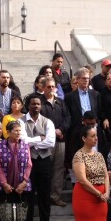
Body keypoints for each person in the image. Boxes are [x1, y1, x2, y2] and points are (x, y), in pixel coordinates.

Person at [0, 120, 33, 221]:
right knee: (7, 218)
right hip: (6, 188)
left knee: (22, 218)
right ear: (8, 132)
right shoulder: (0, 146)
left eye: (19, 130)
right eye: (15, 130)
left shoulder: (25, 145)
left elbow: (29, 165)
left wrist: (24, 182)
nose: (18, 133)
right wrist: (4, 183)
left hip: (22, 187)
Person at [23, 94, 56, 221]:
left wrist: (32, 142)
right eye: (33, 104)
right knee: (28, 196)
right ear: (28, 106)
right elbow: (23, 142)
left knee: (44, 195)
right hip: (27, 162)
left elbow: (50, 143)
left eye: (38, 104)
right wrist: (38, 139)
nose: (36, 106)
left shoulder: (48, 122)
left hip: (44, 162)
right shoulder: (21, 121)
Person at [40, 77, 71, 208]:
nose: (51, 89)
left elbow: (67, 117)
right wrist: (52, 131)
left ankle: (55, 196)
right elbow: (38, 120)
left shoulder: (60, 102)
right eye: (49, 87)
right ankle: (44, 196)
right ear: (43, 88)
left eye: (53, 87)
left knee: (58, 169)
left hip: (60, 140)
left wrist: (61, 129)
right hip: (46, 141)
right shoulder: (39, 103)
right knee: (46, 169)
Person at [65, 67, 100, 138]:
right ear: (77, 79)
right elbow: (68, 114)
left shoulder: (95, 94)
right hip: (77, 131)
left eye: (88, 78)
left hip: (93, 129)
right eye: (84, 78)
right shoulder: (69, 97)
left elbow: (99, 111)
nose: (86, 80)